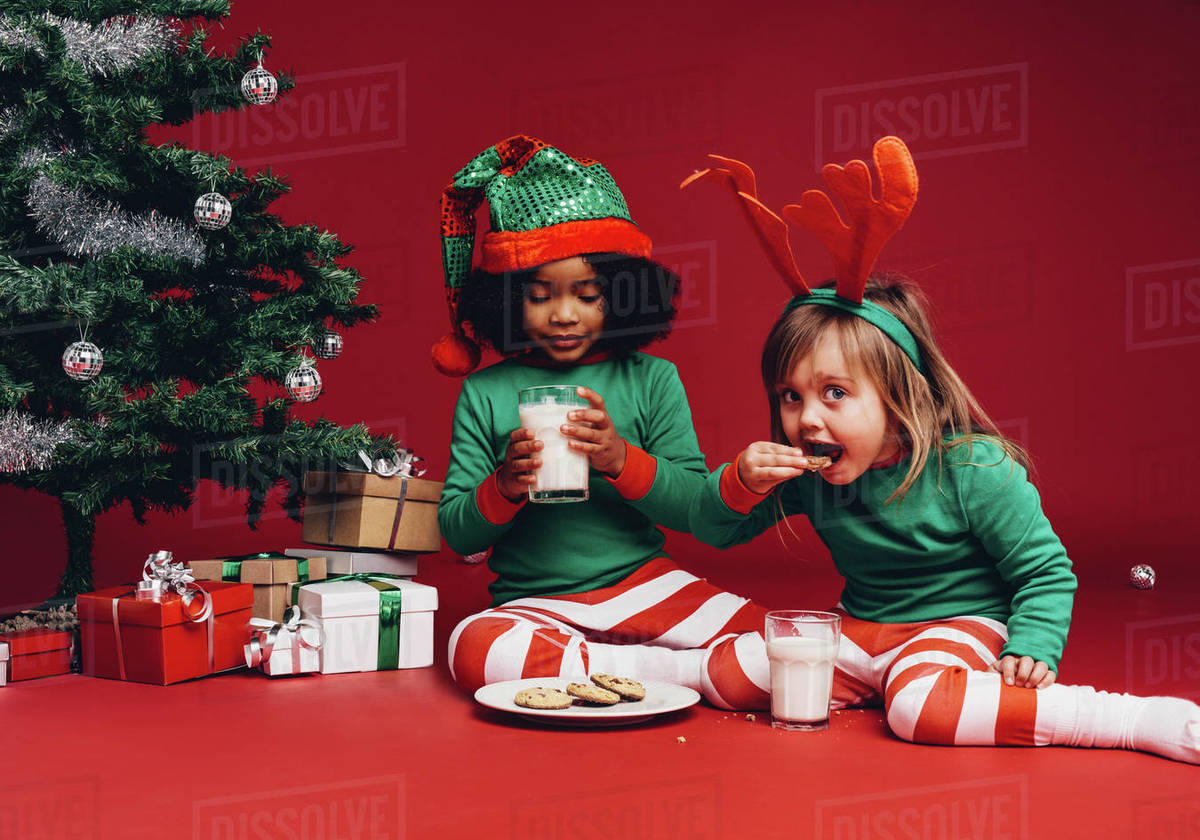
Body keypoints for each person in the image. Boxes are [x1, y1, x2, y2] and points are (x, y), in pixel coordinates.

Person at [686, 136, 1200, 762]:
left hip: (959, 623)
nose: (807, 418)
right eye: (790, 397)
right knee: (731, 675)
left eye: (835, 393)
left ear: (899, 394)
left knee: (920, 710)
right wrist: (742, 482)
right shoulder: (808, 476)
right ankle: (604, 666)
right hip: (861, 627)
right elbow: (716, 531)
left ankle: (1133, 720)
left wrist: (1032, 646)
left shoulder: (973, 469)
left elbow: (1044, 572)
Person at [434, 135, 767, 704]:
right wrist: (505, 485)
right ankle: (679, 672)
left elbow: (693, 506)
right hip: (535, 602)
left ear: (621, 295)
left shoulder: (653, 379)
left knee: (779, 639)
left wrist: (619, 459)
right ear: (506, 300)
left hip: (648, 586)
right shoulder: (484, 392)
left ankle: (599, 670)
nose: (564, 314)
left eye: (587, 295)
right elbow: (457, 532)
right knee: (475, 649)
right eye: (540, 296)